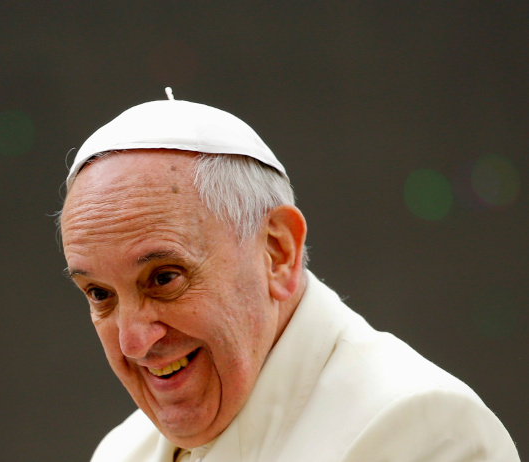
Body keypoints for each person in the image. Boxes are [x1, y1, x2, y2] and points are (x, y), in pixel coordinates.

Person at [58, 89, 519, 462]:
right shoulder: (122, 451)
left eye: (163, 278)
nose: (133, 341)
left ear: (277, 252)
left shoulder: (422, 431)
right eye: (99, 294)